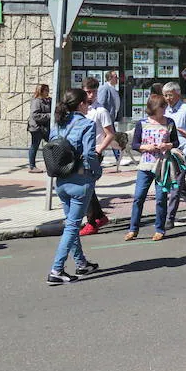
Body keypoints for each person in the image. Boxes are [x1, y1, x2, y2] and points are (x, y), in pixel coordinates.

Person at [46, 88, 101, 284]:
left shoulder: (58, 124)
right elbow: (89, 155)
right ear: (80, 104)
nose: (89, 106)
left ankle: (81, 263)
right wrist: (97, 173)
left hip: (61, 180)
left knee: (71, 222)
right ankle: (57, 269)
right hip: (80, 181)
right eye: (87, 102)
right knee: (72, 227)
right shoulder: (87, 124)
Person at [125, 94, 179, 241]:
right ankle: (133, 229)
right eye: (162, 107)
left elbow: (176, 142)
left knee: (161, 198)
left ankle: (160, 229)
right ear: (155, 108)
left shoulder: (170, 123)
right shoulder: (142, 123)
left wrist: (168, 145)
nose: (164, 110)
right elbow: (135, 144)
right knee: (138, 197)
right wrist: (145, 147)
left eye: (165, 107)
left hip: (163, 166)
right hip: (145, 165)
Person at [79, 77, 116, 236]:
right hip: (81, 152)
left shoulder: (101, 111)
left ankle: (92, 222)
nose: (91, 95)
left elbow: (110, 134)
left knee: (85, 187)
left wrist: (99, 150)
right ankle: (99, 216)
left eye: (93, 92)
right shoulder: (81, 108)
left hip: (94, 152)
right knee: (86, 187)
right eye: (88, 92)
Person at [163, 82, 186, 229]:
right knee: (181, 187)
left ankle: (169, 218)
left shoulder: (185, 110)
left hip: (183, 151)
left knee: (175, 184)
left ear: (177, 94)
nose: (167, 98)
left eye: (170, 95)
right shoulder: (167, 111)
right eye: (165, 95)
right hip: (170, 152)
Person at [98, 70, 125, 166]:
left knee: (110, 137)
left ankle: (116, 157)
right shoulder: (104, 88)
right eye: (115, 77)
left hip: (111, 117)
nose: (117, 79)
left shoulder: (113, 88)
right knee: (111, 136)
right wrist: (103, 116)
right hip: (106, 118)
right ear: (110, 78)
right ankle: (117, 157)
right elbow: (101, 103)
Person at [27, 84, 51, 173]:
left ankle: (52, 164)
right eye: (46, 90)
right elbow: (35, 115)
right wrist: (49, 116)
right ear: (41, 91)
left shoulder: (46, 100)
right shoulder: (37, 101)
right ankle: (32, 166)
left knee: (52, 143)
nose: (48, 92)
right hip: (36, 128)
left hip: (44, 127)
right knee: (34, 146)